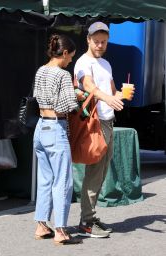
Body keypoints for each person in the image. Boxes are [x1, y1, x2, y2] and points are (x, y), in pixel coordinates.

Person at [74, 21, 134, 238]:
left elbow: (112, 92)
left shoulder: (106, 64)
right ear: (88, 40)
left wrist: (121, 95)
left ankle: (89, 217)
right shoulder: (82, 62)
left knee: (100, 174)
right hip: (94, 124)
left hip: (108, 122)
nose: (100, 45)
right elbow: (88, 86)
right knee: (94, 173)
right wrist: (109, 97)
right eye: (96, 41)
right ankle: (86, 222)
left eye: (104, 42)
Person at [33, 34, 82, 245]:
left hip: (40, 127)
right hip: (55, 127)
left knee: (45, 179)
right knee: (62, 181)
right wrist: (77, 96)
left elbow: (37, 96)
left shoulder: (40, 70)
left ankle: (42, 225)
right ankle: (61, 230)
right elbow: (66, 107)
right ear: (63, 53)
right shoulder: (62, 75)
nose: (71, 60)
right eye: (70, 56)